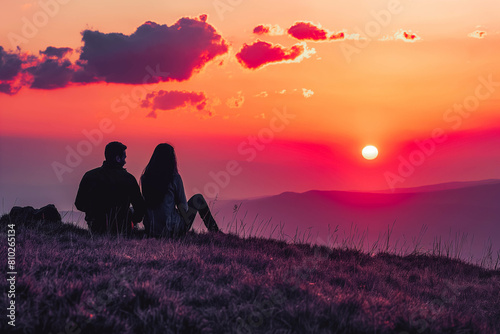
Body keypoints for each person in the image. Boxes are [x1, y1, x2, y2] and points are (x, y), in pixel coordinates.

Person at [140, 143, 221, 237]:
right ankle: (215, 231)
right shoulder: (174, 178)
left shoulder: (145, 178)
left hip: (152, 229)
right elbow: (184, 208)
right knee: (198, 199)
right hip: (173, 230)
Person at [75, 141, 145, 236]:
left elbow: (79, 204)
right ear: (117, 158)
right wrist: (132, 218)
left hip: (96, 227)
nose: (125, 161)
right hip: (122, 228)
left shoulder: (89, 176)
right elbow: (139, 207)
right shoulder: (129, 179)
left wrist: (94, 213)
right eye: (124, 157)